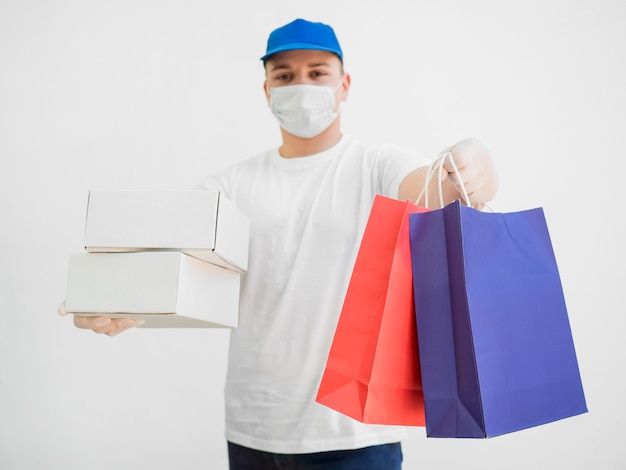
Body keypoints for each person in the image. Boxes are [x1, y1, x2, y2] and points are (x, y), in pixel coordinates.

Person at [60, 18, 498, 469]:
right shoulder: (230, 187)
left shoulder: (377, 166)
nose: (301, 84)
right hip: (255, 430)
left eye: (317, 72)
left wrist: (473, 170)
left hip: (356, 434)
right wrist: (106, 301)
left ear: (344, 84)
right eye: (285, 75)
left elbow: (434, 188)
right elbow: (173, 264)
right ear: (267, 90)